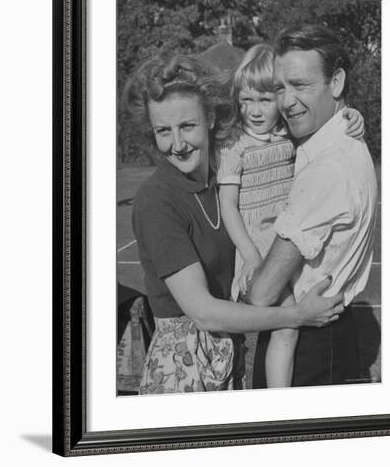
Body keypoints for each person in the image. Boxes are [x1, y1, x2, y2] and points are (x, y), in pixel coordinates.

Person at [128, 54, 345, 394]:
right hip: (183, 372)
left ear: (211, 118)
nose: (178, 144)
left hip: (229, 356)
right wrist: (297, 316)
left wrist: (348, 116)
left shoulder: (225, 180)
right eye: (163, 131)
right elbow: (203, 313)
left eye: (187, 126)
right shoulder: (157, 201)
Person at [217, 43, 364, 388]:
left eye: (265, 100)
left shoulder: (289, 135)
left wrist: (352, 115)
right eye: (246, 100)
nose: (254, 110)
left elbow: (327, 131)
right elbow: (227, 206)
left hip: (290, 239)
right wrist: (252, 258)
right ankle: (278, 403)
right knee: (285, 326)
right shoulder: (233, 146)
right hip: (257, 246)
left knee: (288, 328)